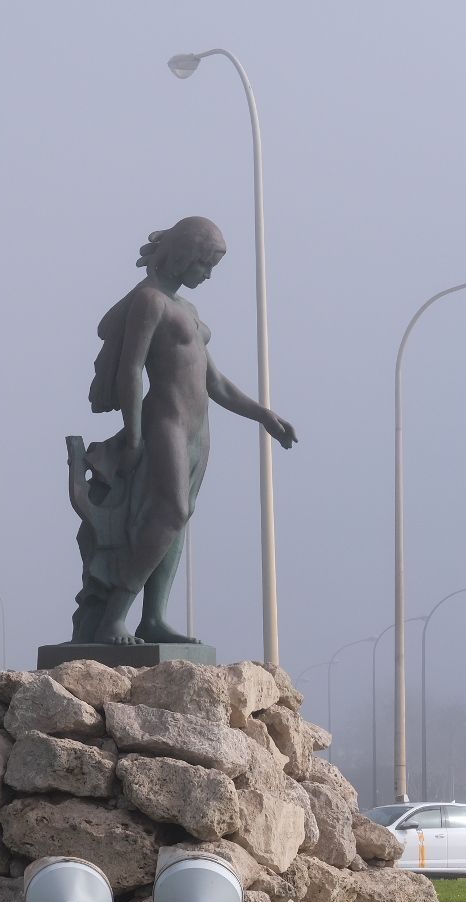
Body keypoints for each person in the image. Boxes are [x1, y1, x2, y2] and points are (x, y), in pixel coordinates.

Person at [68, 217, 297, 645]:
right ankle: (114, 616)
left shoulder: (188, 311)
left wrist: (264, 415)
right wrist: (133, 435)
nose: (207, 275)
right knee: (168, 512)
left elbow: (217, 384)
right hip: (164, 423)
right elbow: (131, 370)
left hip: (198, 430)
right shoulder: (150, 302)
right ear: (183, 256)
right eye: (204, 265)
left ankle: (152, 618)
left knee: (178, 520)